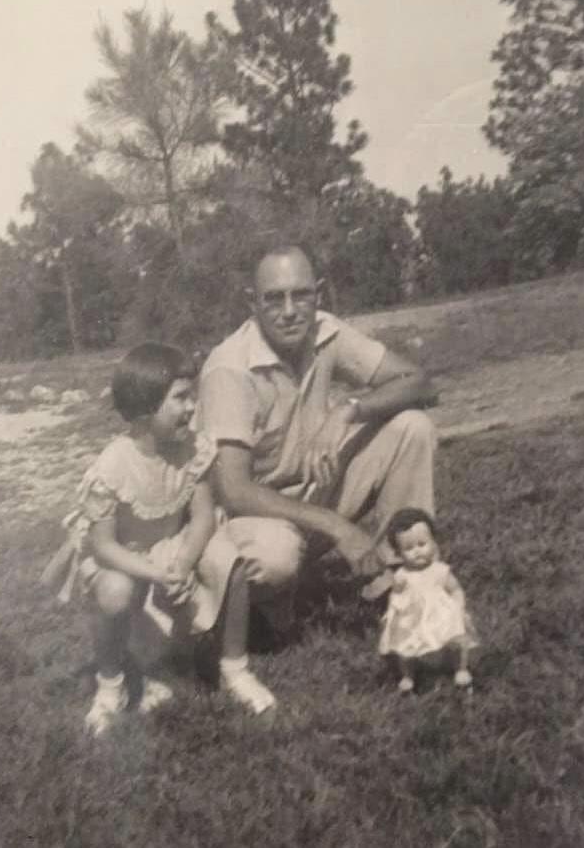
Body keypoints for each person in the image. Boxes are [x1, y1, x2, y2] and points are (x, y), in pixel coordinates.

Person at [198, 245, 437, 634]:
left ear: (319, 294)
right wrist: (338, 527)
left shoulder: (326, 331)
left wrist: (347, 410)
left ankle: (403, 580)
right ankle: (251, 612)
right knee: (277, 557)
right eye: (274, 299)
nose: (289, 311)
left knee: (412, 427)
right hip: (248, 521)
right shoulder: (230, 368)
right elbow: (234, 491)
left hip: (309, 495)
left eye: (301, 295)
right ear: (252, 303)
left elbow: (420, 383)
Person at [42, 342, 276, 736]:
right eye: (180, 398)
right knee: (115, 591)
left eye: (192, 396)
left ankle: (235, 669)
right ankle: (110, 685)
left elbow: (202, 517)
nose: (191, 407)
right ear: (146, 407)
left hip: (172, 543)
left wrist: (182, 563)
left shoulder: (194, 447)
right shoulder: (114, 465)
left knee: (231, 563)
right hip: (123, 554)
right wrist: (156, 574)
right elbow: (103, 546)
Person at [362, 508, 478, 693]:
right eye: (408, 548)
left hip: (441, 614)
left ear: (433, 543)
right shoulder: (402, 575)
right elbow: (396, 595)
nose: (417, 551)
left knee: (456, 639)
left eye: (422, 544)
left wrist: (459, 606)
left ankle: (461, 669)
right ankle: (408, 675)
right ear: (398, 553)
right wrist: (393, 611)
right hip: (413, 617)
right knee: (405, 646)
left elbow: (455, 589)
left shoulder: (440, 570)